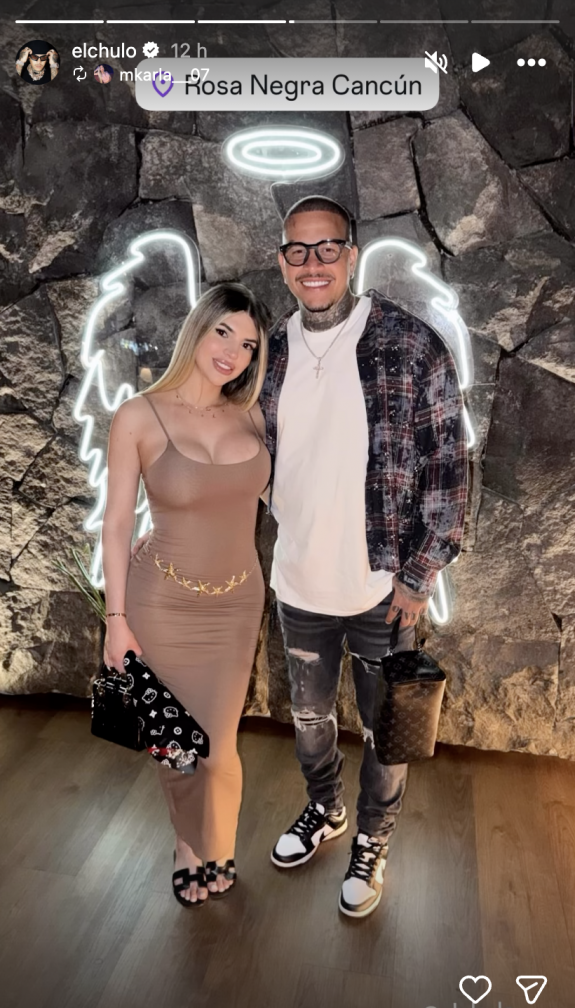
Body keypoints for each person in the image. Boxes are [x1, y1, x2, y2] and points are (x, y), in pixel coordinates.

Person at [258, 196, 468, 919]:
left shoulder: (409, 344)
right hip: (298, 583)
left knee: (387, 731)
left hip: (384, 589)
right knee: (309, 720)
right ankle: (325, 809)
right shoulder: (268, 353)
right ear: (282, 261)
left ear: (351, 255)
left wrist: (419, 573)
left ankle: (372, 840)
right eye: (298, 250)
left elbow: (449, 464)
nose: (312, 263)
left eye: (327, 248)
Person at [102, 283, 270, 907]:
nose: (232, 352)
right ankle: (188, 845)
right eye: (223, 331)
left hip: (235, 603)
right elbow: (117, 523)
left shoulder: (252, 414)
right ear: (198, 327)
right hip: (162, 603)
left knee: (218, 747)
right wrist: (116, 618)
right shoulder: (139, 415)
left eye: (248, 344)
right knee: (176, 744)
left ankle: (216, 844)